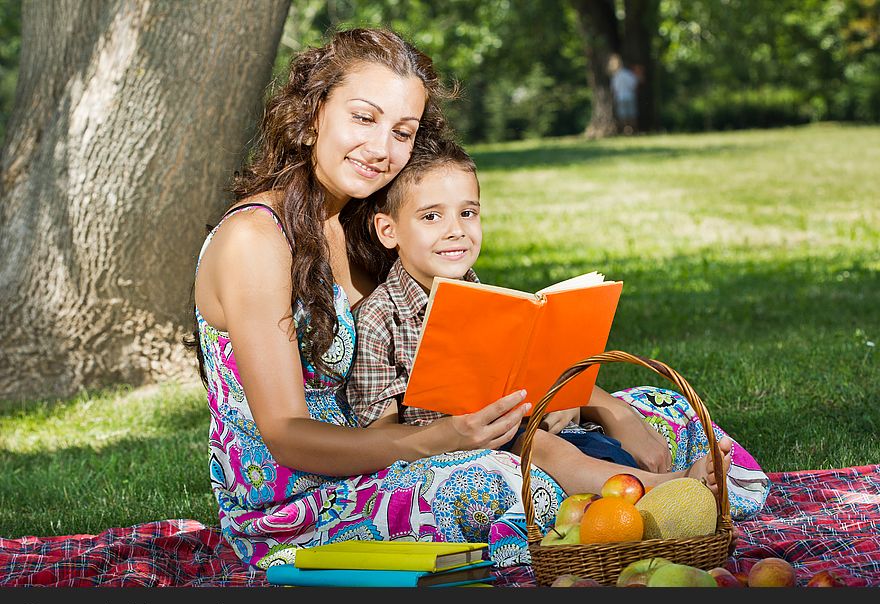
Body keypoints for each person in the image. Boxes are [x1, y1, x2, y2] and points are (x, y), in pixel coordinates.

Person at [192, 27, 590, 570]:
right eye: (364, 117)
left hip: (393, 452)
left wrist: (573, 398)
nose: (382, 149)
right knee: (496, 482)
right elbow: (286, 436)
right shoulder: (256, 239)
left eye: (402, 132)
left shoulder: (366, 222)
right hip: (296, 508)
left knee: (660, 411)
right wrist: (442, 440)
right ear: (312, 116)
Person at [345, 138, 770, 518]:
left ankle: (654, 496)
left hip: (527, 430)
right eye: (432, 216)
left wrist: (559, 398)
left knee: (588, 441)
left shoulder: (485, 297)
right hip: (454, 451)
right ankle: (673, 490)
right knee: (548, 450)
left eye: (468, 212)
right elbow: (380, 434)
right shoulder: (382, 318)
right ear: (389, 230)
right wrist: (455, 434)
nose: (456, 230)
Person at [608, 54, 639, 135]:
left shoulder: (615, 76)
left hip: (620, 97)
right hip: (630, 96)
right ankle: (633, 131)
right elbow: (634, 83)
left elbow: (613, 89)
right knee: (632, 115)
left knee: (623, 116)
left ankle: (626, 131)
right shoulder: (628, 73)